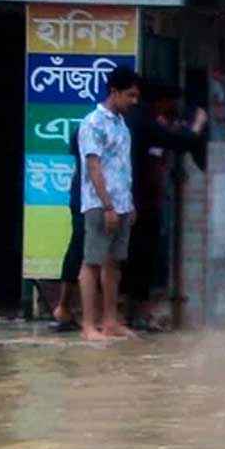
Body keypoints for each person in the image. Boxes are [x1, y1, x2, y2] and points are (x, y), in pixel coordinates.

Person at [124, 87, 208, 332]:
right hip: (139, 204)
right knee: (140, 260)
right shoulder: (144, 124)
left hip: (141, 203)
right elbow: (181, 141)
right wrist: (198, 124)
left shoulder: (143, 123)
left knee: (140, 260)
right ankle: (135, 314)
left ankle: (133, 313)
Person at [78, 67, 141, 341]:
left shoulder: (121, 123)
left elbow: (121, 167)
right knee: (92, 263)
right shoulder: (93, 123)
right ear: (114, 92)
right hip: (100, 205)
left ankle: (110, 321)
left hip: (122, 204)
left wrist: (128, 204)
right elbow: (94, 167)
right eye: (131, 95)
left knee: (114, 263)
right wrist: (108, 207)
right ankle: (88, 326)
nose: (134, 101)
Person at [50, 119, 85, 333]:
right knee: (80, 250)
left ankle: (67, 308)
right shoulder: (94, 125)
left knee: (79, 250)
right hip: (89, 199)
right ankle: (65, 308)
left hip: (86, 197)